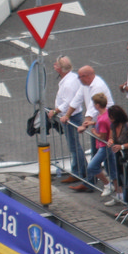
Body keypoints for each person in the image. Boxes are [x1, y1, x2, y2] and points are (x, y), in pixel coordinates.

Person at [47, 56, 84, 184]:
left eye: (56, 64)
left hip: (71, 116)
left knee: (74, 147)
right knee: (75, 146)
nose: (54, 65)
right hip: (73, 115)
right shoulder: (72, 77)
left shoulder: (68, 84)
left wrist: (55, 111)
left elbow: (68, 103)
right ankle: (81, 171)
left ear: (61, 69)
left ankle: (79, 173)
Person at [75, 65, 114, 168]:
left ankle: (95, 174)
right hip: (99, 124)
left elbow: (92, 109)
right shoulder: (86, 85)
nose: (78, 79)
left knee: (99, 160)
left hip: (103, 131)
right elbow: (77, 99)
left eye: (80, 77)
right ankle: (100, 174)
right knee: (105, 158)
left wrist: (87, 127)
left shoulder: (97, 86)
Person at [82, 94, 114, 195]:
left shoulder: (102, 118)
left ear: (97, 105)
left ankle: (107, 185)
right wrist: (93, 123)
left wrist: (94, 132)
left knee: (92, 166)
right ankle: (118, 193)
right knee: (112, 170)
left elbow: (102, 137)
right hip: (107, 146)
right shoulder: (105, 113)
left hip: (104, 147)